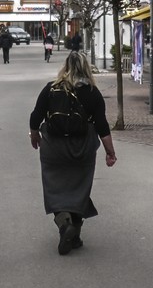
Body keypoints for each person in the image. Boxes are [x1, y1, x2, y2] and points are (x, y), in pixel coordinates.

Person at [29, 50, 116, 255]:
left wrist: (35, 137)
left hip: (53, 149)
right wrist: (110, 152)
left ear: (65, 67)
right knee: (79, 189)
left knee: (55, 190)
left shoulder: (51, 89)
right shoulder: (93, 92)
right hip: (83, 149)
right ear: (87, 68)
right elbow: (102, 126)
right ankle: (74, 233)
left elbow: (35, 117)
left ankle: (64, 224)